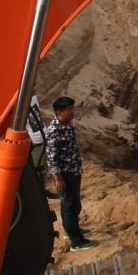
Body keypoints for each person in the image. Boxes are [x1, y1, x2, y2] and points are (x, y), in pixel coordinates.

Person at [44, 96, 98, 251]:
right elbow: (52, 158)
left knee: (74, 204)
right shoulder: (55, 132)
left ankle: (71, 229)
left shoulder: (67, 125)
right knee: (69, 205)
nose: (73, 112)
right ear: (60, 112)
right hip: (66, 175)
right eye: (69, 110)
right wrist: (58, 179)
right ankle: (77, 242)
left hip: (73, 170)